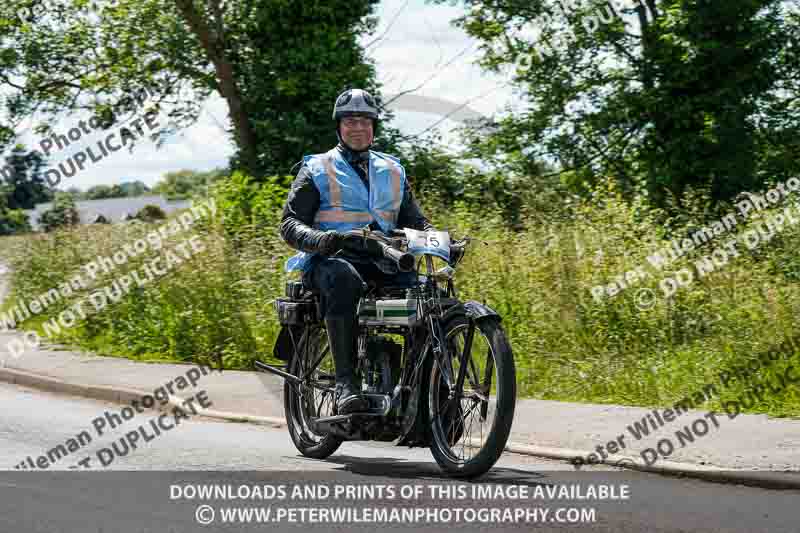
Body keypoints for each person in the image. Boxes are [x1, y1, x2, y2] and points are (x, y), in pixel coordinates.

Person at [279, 88, 435, 415]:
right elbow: (290, 224)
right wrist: (321, 241)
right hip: (331, 261)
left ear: (374, 126)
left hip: (384, 261)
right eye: (350, 121)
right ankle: (345, 385)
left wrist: (437, 239)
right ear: (339, 126)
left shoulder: (393, 170)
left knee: (429, 295)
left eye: (364, 120)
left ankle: (428, 397)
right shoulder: (317, 167)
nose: (358, 127)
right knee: (343, 278)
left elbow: (416, 222)